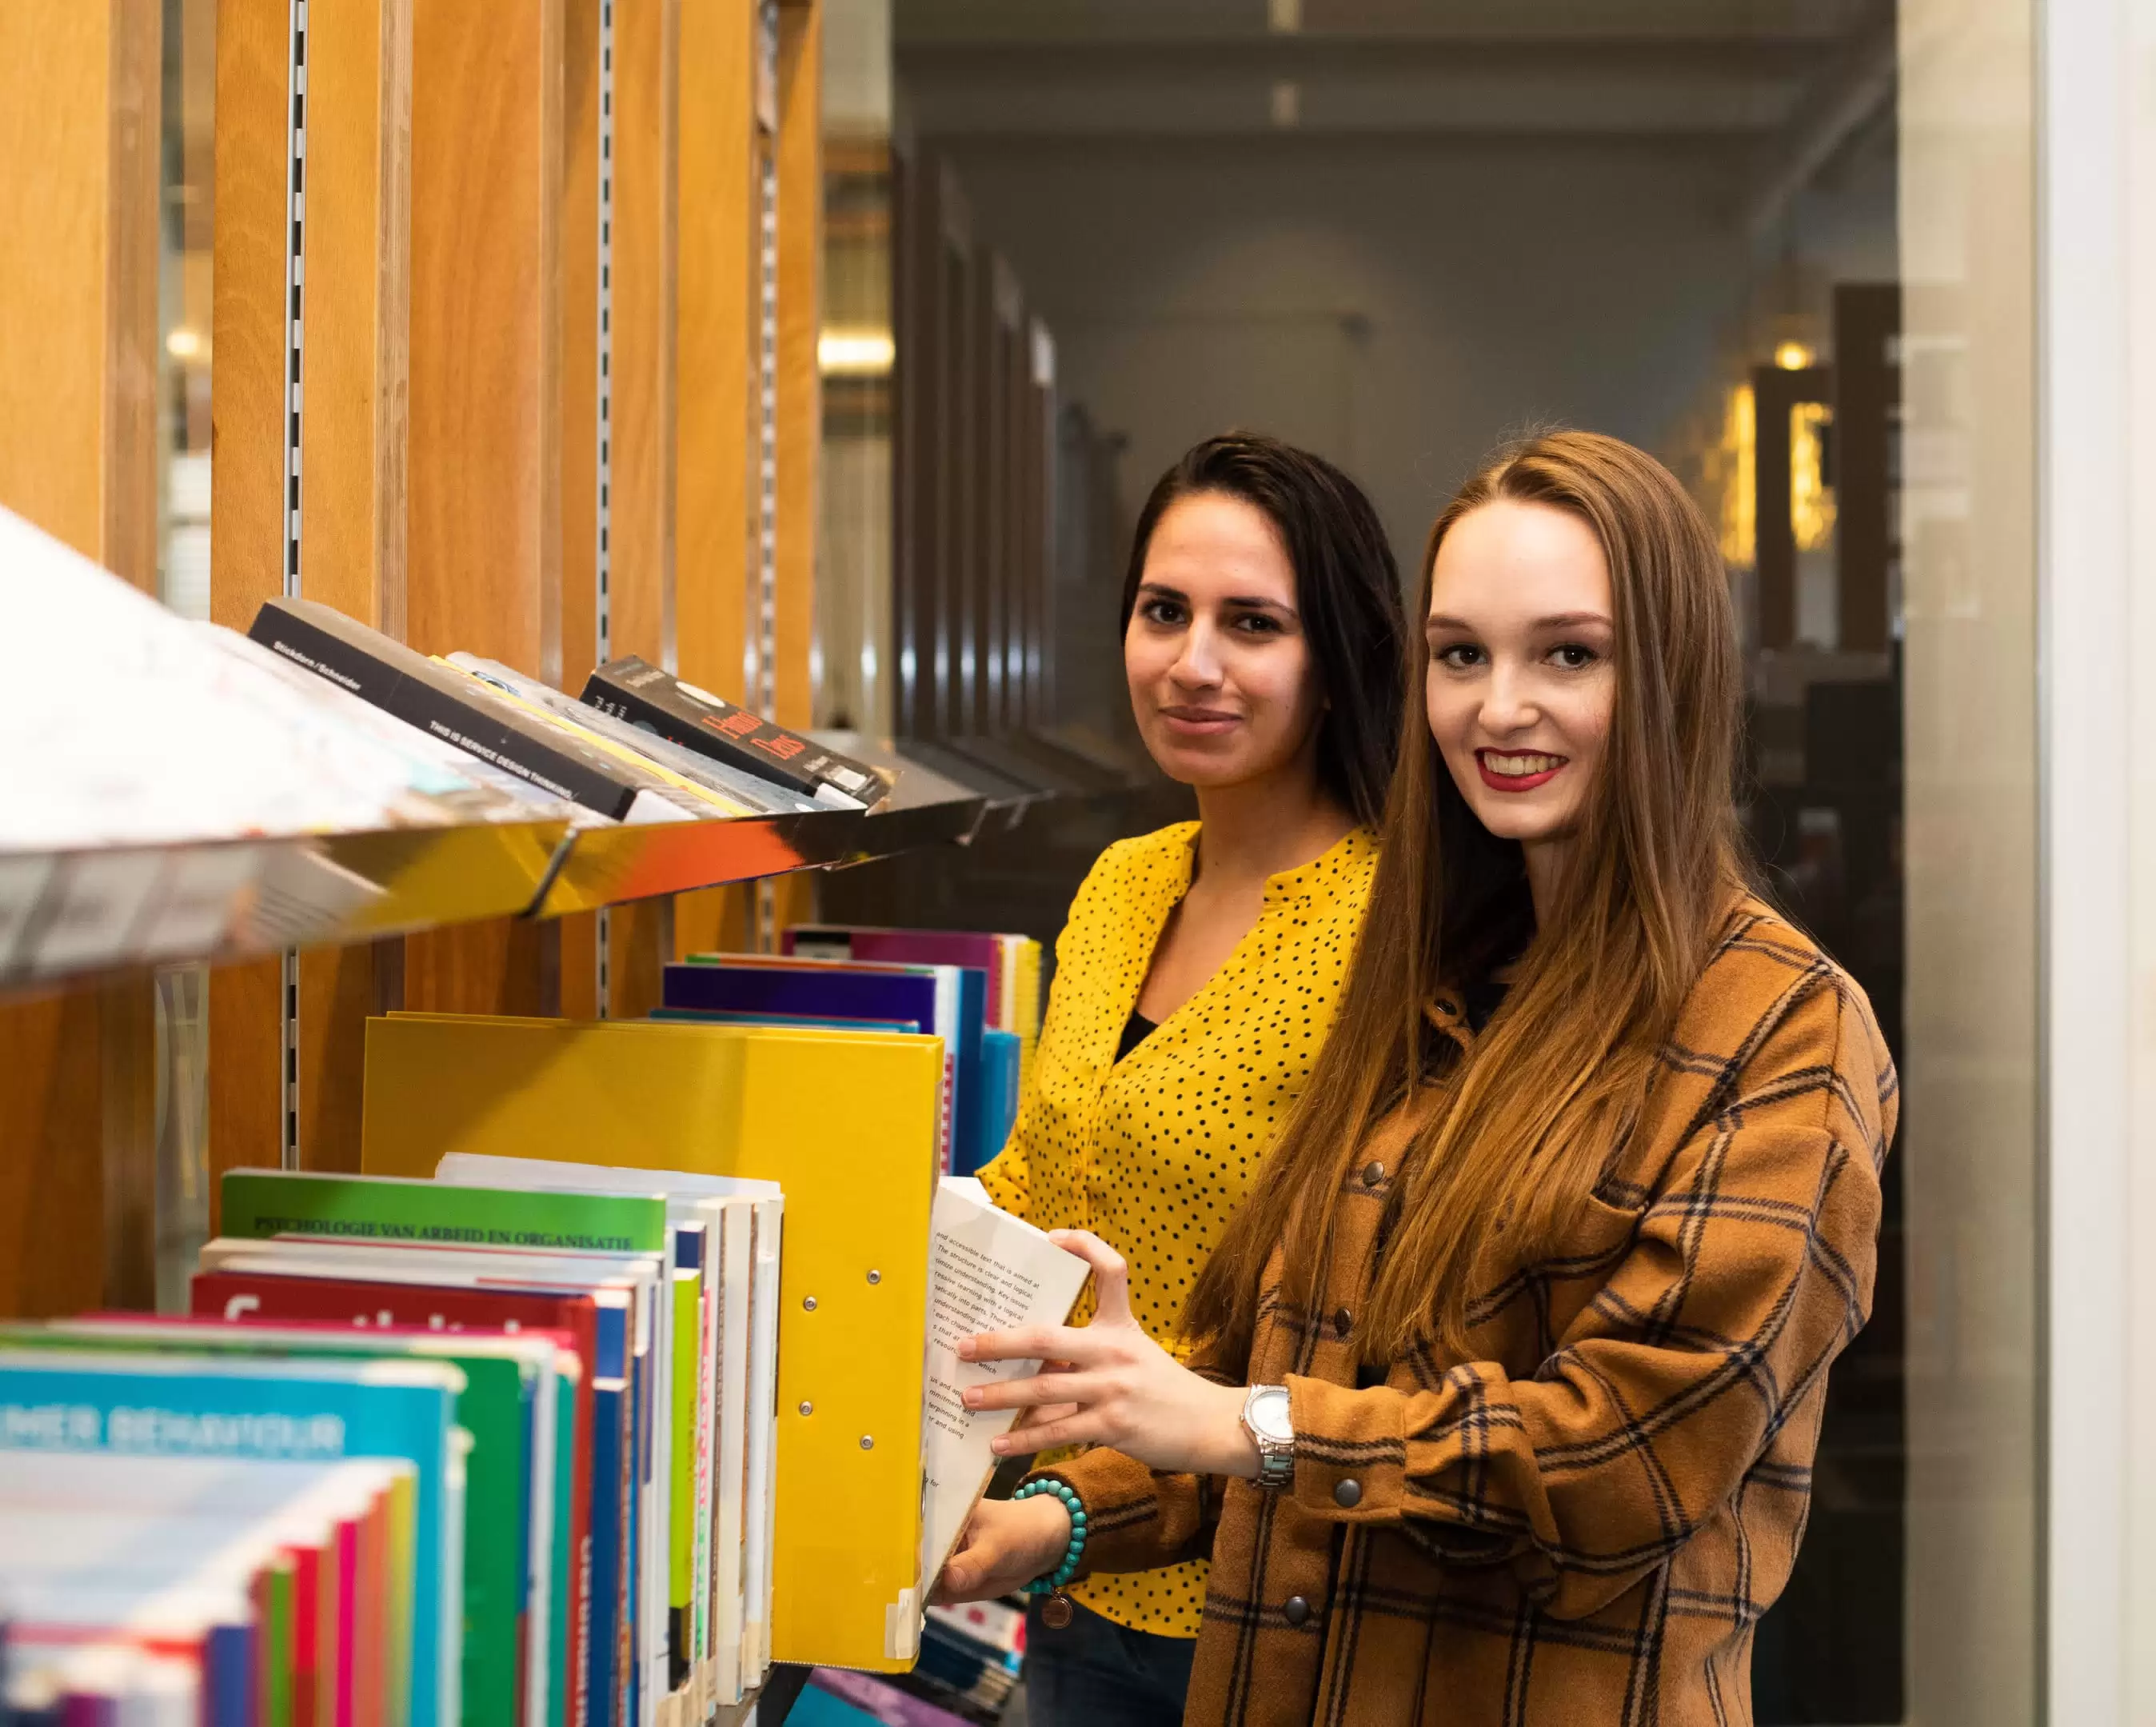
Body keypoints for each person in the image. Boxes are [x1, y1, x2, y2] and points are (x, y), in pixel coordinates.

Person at [938, 430, 1897, 1725]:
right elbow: (1278, 1375)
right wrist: (1053, 1516)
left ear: (1671, 672)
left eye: (1569, 652)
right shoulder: (1431, 982)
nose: (1500, 707)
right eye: (1463, 655)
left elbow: (1622, 1458)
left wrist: (1245, 1426)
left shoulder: (1785, 1028)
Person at [972, 432, 1409, 1725]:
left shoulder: (1391, 926)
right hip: (1064, 1563)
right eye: (1164, 612)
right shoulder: (1121, 883)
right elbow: (1044, 1179)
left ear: (1334, 662)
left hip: (1262, 1598)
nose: (1194, 663)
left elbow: (1371, 1302)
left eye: (1253, 623)